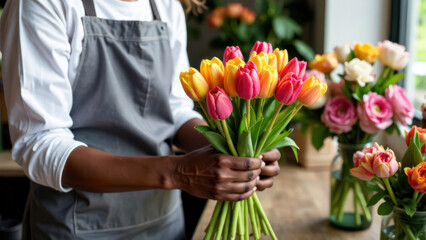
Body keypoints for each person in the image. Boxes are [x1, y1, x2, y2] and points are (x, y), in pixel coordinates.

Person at [0, 0, 281, 239]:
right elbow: (40, 142)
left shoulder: (164, 5)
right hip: (77, 228)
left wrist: (239, 149)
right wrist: (178, 172)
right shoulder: (41, 4)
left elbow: (175, 111)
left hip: (163, 224)